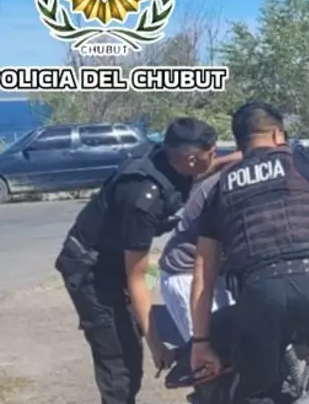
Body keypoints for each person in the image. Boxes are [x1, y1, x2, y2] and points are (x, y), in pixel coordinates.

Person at [189, 101, 309, 404]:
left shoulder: (220, 189)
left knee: (258, 393)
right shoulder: (302, 160)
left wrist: (200, 341)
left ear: (240, 142)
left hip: (258, 293)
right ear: (277, 134)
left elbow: (202, 273)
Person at [54, 117, 218, 404]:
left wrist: (246, 158)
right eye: (213, 153)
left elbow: (207, 168)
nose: (215, 158)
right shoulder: (143, 198)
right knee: (120, 359)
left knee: (132, 329)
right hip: (93, 271)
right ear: (190, 158)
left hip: (122, 260)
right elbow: (137, 277)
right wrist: (157, 344)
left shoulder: (171, 161)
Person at [158, 162, 237, 344]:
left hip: (219, 271)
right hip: (187, 272)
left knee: (236, 344)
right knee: (210, 348)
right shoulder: (226, 185)